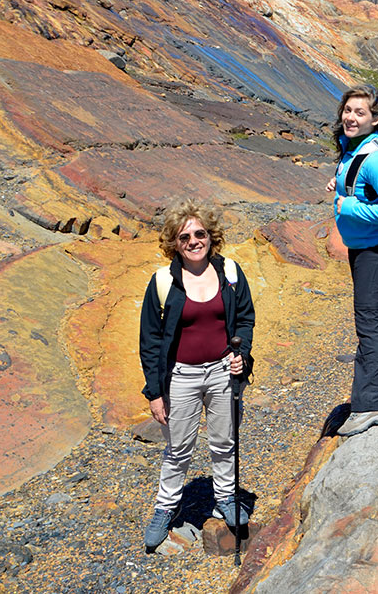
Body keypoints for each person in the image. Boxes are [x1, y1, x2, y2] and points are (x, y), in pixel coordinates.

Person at [138, 200, 254, 548]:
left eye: (199, 233)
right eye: (184, 235)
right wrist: (155, 393)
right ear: (174, 242)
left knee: (224, 440)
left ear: (210, 236)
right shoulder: (162, 282)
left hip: (222, 372)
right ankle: (165, 507)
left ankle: (226, 497)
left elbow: (245, 320)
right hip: (181, 377)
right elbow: (150, 341)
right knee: (178, 448)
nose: (193, 241)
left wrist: (241, 356)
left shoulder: (230, 273)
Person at [326, 84, 378, 436]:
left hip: (377, 251)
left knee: (369, 322)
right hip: (365, 247)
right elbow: (359, 179)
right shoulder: (355, 147)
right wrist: (339, 183)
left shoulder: (375, 157)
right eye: (348, 110)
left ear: (376, 120)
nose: (351, 117)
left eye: (360, 113)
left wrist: (351, 206)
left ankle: (371, 404)